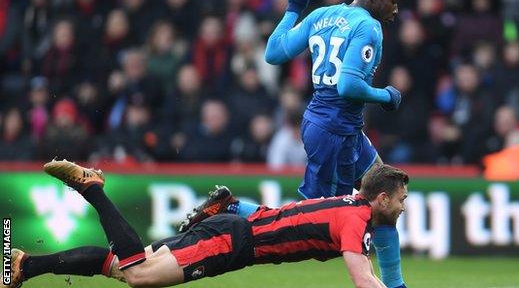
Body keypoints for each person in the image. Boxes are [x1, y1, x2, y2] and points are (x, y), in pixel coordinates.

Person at [183, 0, 406, 287]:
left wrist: (292, 10)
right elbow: (348, 86)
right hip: (334, 131)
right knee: (308, 228)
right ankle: (232, 206)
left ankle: (397, 285)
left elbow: (273, 52)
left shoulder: (322, 15)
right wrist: (385, 95)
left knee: (385, 198)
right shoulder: (369, 27)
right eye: (392, 0)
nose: (395, 8)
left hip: (338, 127)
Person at [4, 159, 408, 288]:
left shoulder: (345, 202)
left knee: (120, 264)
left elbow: (279, 217)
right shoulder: (357, 219)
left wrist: (236, 208)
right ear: (383, 198)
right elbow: (362, 279)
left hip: (237, 234)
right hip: (233, 244)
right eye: (402, 200)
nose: (404, 208)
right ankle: (92, 189)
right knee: (140, 276)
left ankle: (25, 266)